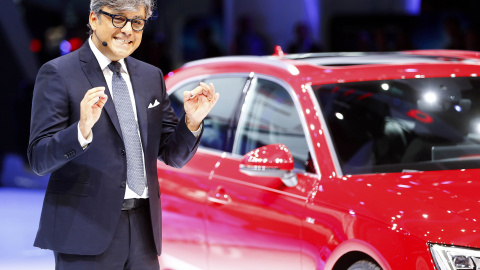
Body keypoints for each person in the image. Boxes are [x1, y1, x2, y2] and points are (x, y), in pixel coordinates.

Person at [27, 0, 219, 269]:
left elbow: (172, 155)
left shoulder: (151, 77)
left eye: (137, 22)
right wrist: (81, 130)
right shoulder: (58, 73)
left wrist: (192, 121)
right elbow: (39, 159)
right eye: (118, 19)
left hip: (143, 230)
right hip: (84, 232)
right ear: (94, 19)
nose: (128, 29)